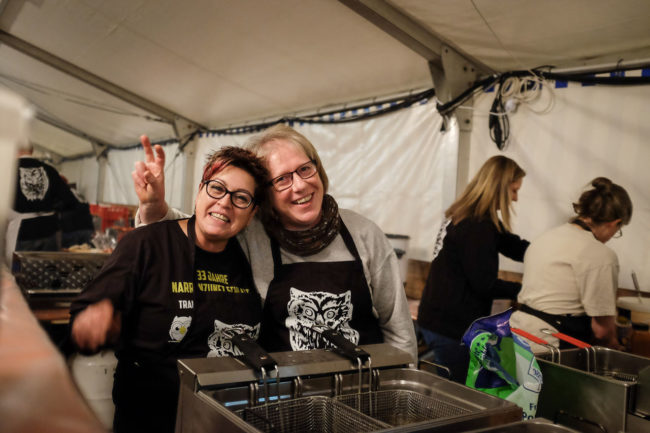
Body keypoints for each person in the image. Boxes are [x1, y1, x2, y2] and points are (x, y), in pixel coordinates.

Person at [133, 125, 418, 361]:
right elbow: (199, 227)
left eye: (305, 169)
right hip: (285, 396)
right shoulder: (252, 234)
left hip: (364, 392)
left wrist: (401, 389)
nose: (300, 185)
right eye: (282, 179)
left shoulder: (364, 234)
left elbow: (399, 331)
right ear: (264, 194)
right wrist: (154, 208)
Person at [70, 146, 269, 433]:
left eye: (241, 198)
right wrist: (93, 321)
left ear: (252, 213)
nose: (225, 202)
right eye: (217, 188)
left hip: (223, 415)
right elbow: (90, 308)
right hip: (150, 416)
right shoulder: (147, 244)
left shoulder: (251, 259)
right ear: (199, 191)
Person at [417, 155, 529, 382]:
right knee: (460, 395)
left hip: (436, 319)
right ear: (500, 187)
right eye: (514, 190)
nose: (515, 199)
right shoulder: (477, 226)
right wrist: (525, 290)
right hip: (450, 327)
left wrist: (547, 251)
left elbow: (513, 246)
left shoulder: (468, 215)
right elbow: (484, 284)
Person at [510, 177, 632, 352]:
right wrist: (615, 346)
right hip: (550, 347)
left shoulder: (544, 238)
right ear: (614, 223)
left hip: (515, 335)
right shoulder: (601, 255)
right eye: (617, 231)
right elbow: (602, 330)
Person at [5, 145, 89, 263]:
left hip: (23, 233)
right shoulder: (50, 170)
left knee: (20, 272)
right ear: (31, 150)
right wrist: (50, 208)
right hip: (49, 232)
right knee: (48, 270)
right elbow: (71, 202)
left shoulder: (7, 170)